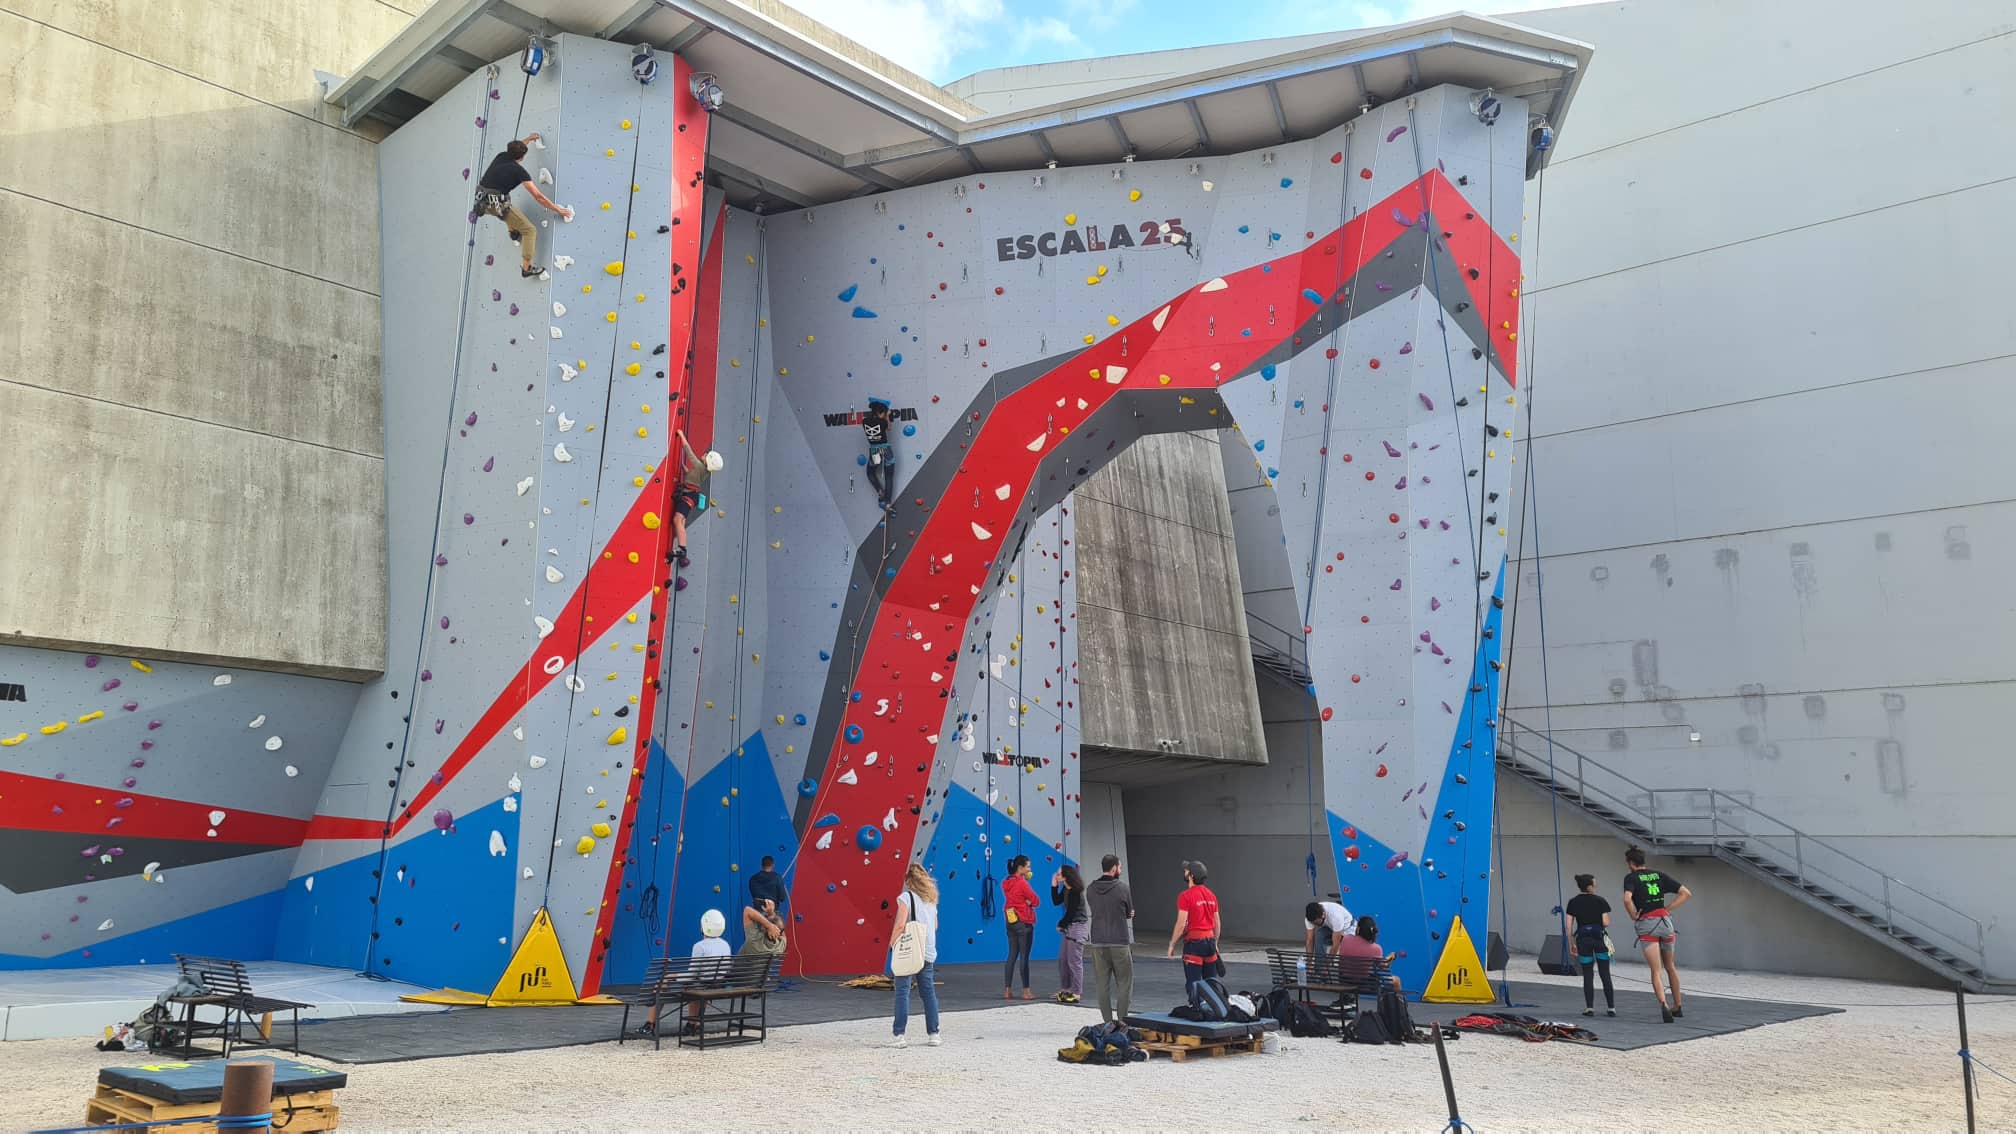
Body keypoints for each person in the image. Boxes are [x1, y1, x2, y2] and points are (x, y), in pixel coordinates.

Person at [474, 135, 571, 278]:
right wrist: (559, 210)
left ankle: (513, 232)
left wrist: (529, 139)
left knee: (506, 208)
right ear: (522, 157)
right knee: (530, 230)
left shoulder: (501, 156)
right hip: (495, 204)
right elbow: (538, 197)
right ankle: (526, 269)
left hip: (481, 197)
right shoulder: (519, 172)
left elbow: (516, 149)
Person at [1622, 845, 1692, 1023]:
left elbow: (1627, 899)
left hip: (1647, 924)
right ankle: (1678, 1005)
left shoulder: (1631, 877)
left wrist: (1632, 915)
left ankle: (1664, 1005)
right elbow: (1686, 893)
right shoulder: (1659, 875)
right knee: (1671, 966)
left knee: (1656, 970)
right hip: (1665, 922)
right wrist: (1667, 908)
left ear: (1631, 863)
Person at [888, 863, 942, 1048]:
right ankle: (934, 1034)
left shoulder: (906, 897)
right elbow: (935, 926)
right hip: (927, 951)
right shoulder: (932, 899)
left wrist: (893, 942)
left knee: (902, 992)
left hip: (910, 951)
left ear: (909, 880)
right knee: (928, 993)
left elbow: (900, 925)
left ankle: (899, 1035)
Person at [1085, 855, 1135, 1024]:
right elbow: (1128, 912)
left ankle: (1107, 1022)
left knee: (1102, 985)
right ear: (1114, 868)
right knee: (1124, 983)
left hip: (1098, 942)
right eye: (1120, 867)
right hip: (1119, 941)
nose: (1120, 870)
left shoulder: (1090, 889)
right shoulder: (1123, 888)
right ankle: (1122, 1022)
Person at [1166, 860, 1225, 994]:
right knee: (1211, 983)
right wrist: (1215, 942)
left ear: (1191, 876)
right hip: (1210, 941)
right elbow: (1217, 922)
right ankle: (1214, 1010)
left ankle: (1196, 1009)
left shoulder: (1185, 896)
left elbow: (1181, 924)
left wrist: (1172, 944)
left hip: (1194, 944)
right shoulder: (1211, 895)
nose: (1185, 872)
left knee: (1194, 983)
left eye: (1186, 871)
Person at [1564, 873, 1616, 1017]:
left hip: (1583, 940)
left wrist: (1571, 943)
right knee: (1604, 972)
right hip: (1599, 939)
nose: (1595, 886)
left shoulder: (1573, 902)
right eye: (1594, 884)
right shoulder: (1601, 901)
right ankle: (1611, 1007)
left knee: (1587, 973)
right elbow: (1606, 923)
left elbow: (1568, 927)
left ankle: (1589, 1007)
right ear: (1589, 887)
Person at [671, 428, 724, 567]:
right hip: (691, 495)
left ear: (708, 462)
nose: (705, 453)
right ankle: (682, 549)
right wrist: (686, 470)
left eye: (707, 455)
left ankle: (682, 549)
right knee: (680, 521)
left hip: (689, 495)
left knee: (678, 519)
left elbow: (688, 452)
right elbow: (694, 478)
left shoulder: (700, 466)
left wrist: (681, 435)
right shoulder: (704, 470)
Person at [1001, 855, 1039, 1000]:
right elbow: (1036, 900)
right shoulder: (1022, 883)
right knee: (1024, 956)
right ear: (1021, 868)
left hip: (1010, 920)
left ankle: (1007, 990)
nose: (1030, 869)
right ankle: (1026, 991)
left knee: (1012, 955)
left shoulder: (1006, 883)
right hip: (1023, 921)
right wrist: (1028, 902)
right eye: (1028, 866)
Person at [1051, 864, 1090, 1003]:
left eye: (1059, 874)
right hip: (1070, 927)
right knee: (1063, 960)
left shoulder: (1075, 892)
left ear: (1066, 876)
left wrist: (1061, 924)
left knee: (1074, 961)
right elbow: (1056, 901)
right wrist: (1054, 885)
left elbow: (1071, 912)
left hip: (1078, 927)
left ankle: (1076, 992)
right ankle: (1066, 989)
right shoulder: (1066, 889)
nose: (1057, 875)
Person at [1335, 915, 1402, 992]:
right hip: (1364, 984)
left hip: (1344, 980)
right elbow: (1383, 967)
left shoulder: (1346, 939)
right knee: (1396, 980)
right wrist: (1391, 958)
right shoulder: (1376, 949)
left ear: (1359, 929)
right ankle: (1398, 1003)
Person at [861, 398, 896, 510]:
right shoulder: (883, 422)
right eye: (884, 413)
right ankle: (888, 503)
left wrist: (884, 414)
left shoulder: (864, 421)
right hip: (886, 450)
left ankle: (880, 491)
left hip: (875, 451)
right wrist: (886, 418)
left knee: (870, 473)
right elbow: (889, 428)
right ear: (880, 413)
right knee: (889, 477)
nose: (886, 415)